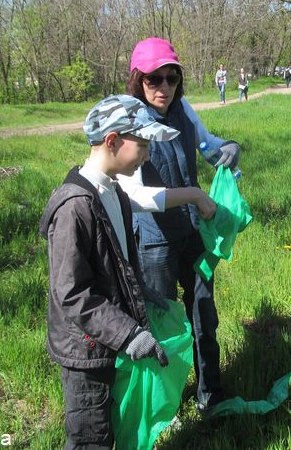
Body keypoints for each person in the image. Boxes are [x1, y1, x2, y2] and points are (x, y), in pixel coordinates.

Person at [39, 94, 179, 450]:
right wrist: (129, 334)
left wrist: (144, 294)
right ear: (112, 140)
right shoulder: (74, 207)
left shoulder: (114, 194)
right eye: (142, 145)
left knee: (115, 425)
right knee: (92, 437)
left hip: (110, 340)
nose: (147, 155)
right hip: (86, 352)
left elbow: (119, 263)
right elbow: (72, 292)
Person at [120, 37, 241, 417]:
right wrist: (192, 194)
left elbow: (208, 145)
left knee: (204, 313)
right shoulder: (129, 121)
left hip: (193, 234)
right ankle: (165, 412)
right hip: (154, 244)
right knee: (160, 327)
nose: (164, 87)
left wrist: (229, 148)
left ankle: (210, 394)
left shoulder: (183, 110)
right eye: (154, 79)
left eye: (172, 78)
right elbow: (134, 196)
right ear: (138, 80)